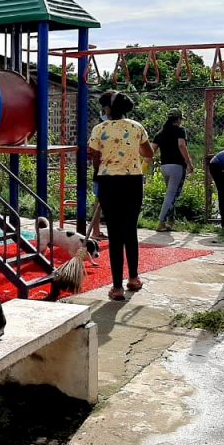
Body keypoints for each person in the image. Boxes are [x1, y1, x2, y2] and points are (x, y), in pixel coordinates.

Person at [88, 92, 154, 299]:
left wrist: (98, 173)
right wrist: (131, 149)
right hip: (132, 182)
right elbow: (149, 153)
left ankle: (117, 288)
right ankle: (133, 278)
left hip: (108, 182)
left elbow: (94, 156)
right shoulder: (137, 127)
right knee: (130, 230)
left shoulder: (99, 129)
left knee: (115, 234)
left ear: (108, 109)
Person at [151, 108, 195, 231]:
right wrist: (189, 163)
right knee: (172, 195)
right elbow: (181, 145)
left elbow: (152, 150)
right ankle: (161, 222)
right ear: (178, 119)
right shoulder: (180, 131)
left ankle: (170, 221)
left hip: (164, 167)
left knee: (170, 194)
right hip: (177, 167)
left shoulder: (160, 133)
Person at [88, 90, 117, 239]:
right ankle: (96, 230)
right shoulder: (101, 127)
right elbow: (93, 151)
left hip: (110, 169)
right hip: (105, 169)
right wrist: (97, 167)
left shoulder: (108, 126)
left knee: (104, 201)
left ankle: (98, 230)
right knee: (100, 200)